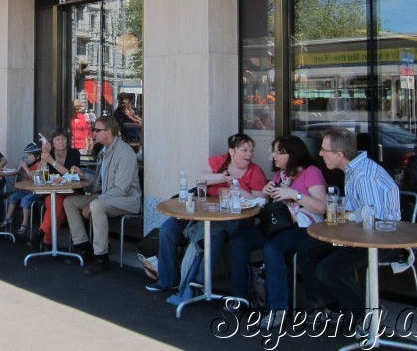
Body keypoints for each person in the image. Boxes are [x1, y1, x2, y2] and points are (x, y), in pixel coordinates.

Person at [296, 128, 401, 327]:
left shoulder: (363, 175)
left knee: (327, 271)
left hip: (382, 241)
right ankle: (330, 306)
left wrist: (343, 216)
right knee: (306, 247)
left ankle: (369, 310)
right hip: (358, 235)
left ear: (338, 154)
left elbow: (373, 218)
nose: (319, 154)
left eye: (323, 150)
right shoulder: (353, 169)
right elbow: (358, 209)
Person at [147, 133, 268, 293]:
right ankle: (168, 279)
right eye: (244, 150)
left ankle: (198, 281)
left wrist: (235, 187)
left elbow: (259, 203)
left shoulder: (255, 171)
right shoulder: (218, 161)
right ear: (231, 151)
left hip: (236, 218)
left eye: (251, 150)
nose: (249, 154)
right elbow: (200, 179)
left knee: (212, 232)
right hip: (203, 212)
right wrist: (223, 177)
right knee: (168, 229)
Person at [229, 135, 327, 328]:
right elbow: (272, 204)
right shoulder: (280, 175)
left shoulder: (311, 172)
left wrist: (295, 194)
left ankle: (277, 310)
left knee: (272, 249)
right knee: (239, 241)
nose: (273, 156)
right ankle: (240, 298)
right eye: (273, 151)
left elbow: (322, 207)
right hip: (278, 223)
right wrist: (266, 194)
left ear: (293, 154)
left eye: (277, 152)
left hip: (304, 226)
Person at [64, 116, 141, 274]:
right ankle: (83, 247)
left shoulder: (124, 153)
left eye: (98, 130)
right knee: (69, 202)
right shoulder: (104, 151)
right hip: (107, 196)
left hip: (127, 200)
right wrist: (84, 175)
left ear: (109, 132)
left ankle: (101, 257)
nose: (94, 132)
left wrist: (94, 202)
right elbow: (101, 183)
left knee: (96, 206)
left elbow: (121, 189)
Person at [30, 126, 83, 249]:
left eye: (64, 139)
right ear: (52, 142)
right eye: (57, 139)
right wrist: (45, 157)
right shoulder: (50, 154)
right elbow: (40, 176)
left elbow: (71, 174)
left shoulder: (74, 153)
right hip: (52, 192)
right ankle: (47, 240)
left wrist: (52, 161)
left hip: (72, 192)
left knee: (58, 202)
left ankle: (43, 234)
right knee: (58, 208)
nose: (61, 142)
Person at [0, 142, 42, 235]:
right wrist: (19, 169)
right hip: (27, 190)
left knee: (25, 200)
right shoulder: (31, 166)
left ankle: (25, 224)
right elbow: (25, 175)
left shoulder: (41, 165)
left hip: (37, 192)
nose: (29, 157)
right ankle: (8, 218)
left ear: (38, 156)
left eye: (30, 155)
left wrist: (25, 168)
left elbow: (34, 176)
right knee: (13, 197)